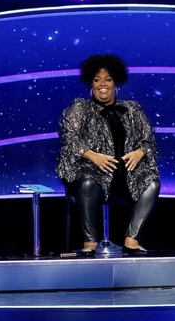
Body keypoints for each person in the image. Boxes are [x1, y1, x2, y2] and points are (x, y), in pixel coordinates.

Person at [57, 54, 160, 255]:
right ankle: (90, 243)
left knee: (152, 182)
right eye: (97, 80)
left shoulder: (132, 109)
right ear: (90, 84)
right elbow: (68, 137)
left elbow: (149, 139)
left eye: (108, 79)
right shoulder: (80, 109)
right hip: (91, 171)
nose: (102, 84)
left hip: (127, 174)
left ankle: (131, 240)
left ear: (116, 83)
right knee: (87, 183)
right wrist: (91, 155)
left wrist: (140, 152)